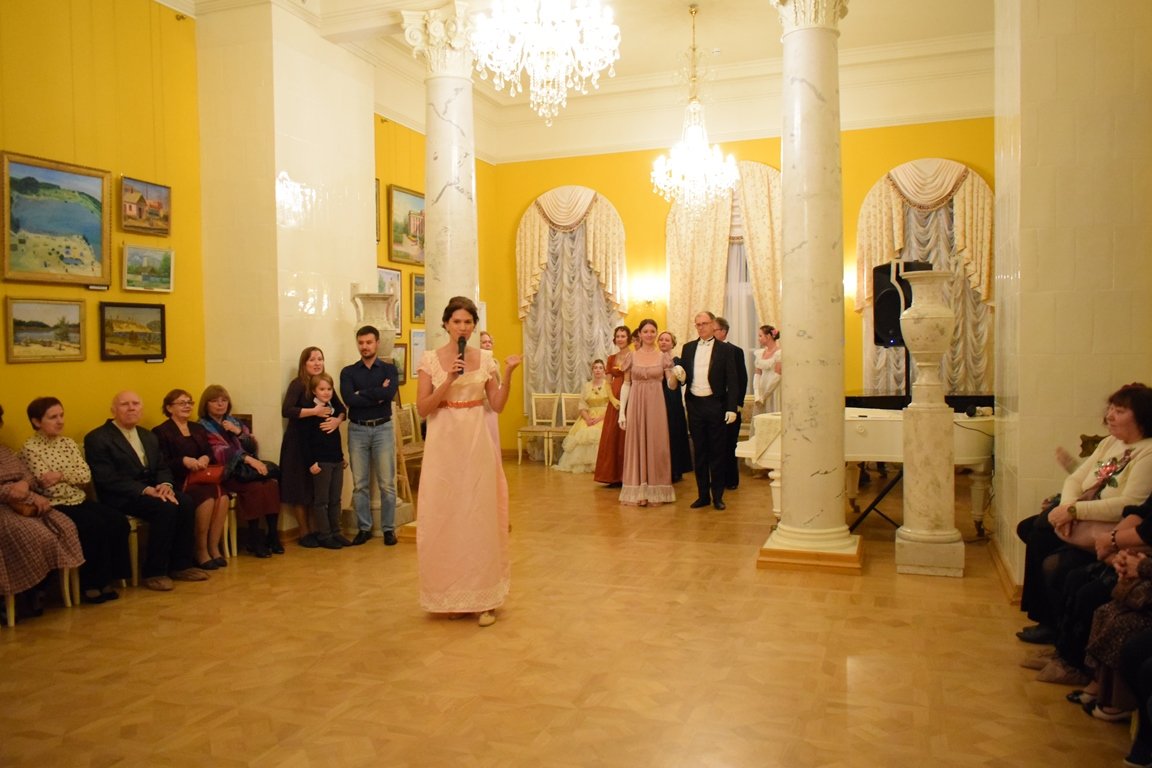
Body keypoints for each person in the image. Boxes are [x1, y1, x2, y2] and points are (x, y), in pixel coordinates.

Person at [1016, 383, 1152, 644]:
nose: (1109, 416)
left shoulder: (1147, 451)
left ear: (1142, 417)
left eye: (1119, 411)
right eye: (1110, 409)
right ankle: (1046, 618)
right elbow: (1077, 480)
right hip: (1082, 517)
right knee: (1033, 529)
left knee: (1041, 536)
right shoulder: (1112, 443)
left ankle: (1049, 622)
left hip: (1107, 526)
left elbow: (1130, 503)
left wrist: (1073, 510)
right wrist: (1068, 508)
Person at [416, 296, 521, 627]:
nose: (462, 327)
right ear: (446, 324)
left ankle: (485, 598)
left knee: (478, 517)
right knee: (447, 518)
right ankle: (453, 595)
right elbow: (423, 408)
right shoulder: (430, 359)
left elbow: (497, 404)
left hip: (476, 444)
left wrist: (508, 373)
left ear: (474, 326)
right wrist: (448, 379)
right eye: (457, 321)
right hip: (443, 447)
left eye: (468, 322)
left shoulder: (485, 359)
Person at [84, 391, 207, 591]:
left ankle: (181, 565)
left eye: (135, 404)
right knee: (165, 508)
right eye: (125, 404)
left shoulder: (147, 435)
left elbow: (162, 467)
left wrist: (165, 485)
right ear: (113, 410)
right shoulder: (98, 438)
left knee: (185, 502)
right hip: (122, 495)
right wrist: (145, 490)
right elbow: (107, 478)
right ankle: (154, 571)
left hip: (153, 490)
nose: (131, 408)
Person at [20, 397, 130, 604]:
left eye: (61, 415)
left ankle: (110, 577)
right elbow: (47, 485)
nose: (60, 421)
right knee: (92, 526)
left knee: (117, 520)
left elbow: (85, 476)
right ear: (36, 421)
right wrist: (68, 477)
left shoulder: (68, 443)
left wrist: (60, 475)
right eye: (53, 417)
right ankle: (91, 584)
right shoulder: (30, 448)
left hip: (78, 498)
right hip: (55, 504)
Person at [0, 403, 85, 619]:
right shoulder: (30, 447)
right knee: (39, 536)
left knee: (64, 527)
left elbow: (27, 475)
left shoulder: (4, 450)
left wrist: (26, 486)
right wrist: (13, 490)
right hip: (4, 508)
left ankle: (40, 589)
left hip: (25, 501)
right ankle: (26, 592)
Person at [198, 385, 283, 558]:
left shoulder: (234, 422)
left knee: (271, 485)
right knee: (255, 488)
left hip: (245, 471)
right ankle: (254, 538)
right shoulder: (202, 426)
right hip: (226, 472)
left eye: (224, 400)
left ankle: (272, 534)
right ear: (206, 404)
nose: (220, 404)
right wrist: (246, 459)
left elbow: (252, 446)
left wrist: (237, 432)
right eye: (214, 401)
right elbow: (218, 452)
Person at [153, 389, 230, 570]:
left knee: (223, 497)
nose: (187, 406)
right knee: (206, 499)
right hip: (179, 479)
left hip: (201, 476)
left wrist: (205, 458)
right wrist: (183, 461)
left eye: (189, 402)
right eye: (182, 403)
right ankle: (200, 550)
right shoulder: (161, 431)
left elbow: (208, 452)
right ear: (169, 408)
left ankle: (213, 547)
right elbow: (161, 462)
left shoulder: (197, 428)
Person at [674, 311, 740, 511]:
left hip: (716, 405)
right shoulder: (688, 348)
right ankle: (703, 495)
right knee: (700, 452)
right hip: (695, 405)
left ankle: (717, 496)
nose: (701, 327)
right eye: (698, 324)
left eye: (704, 323)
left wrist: (732, 408)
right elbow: (685, 377)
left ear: (713, 324)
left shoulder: (725, 350)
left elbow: (733, 380)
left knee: (717, 453)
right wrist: (681, 377)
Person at [340, 325, 400, 546]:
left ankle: (388, 529)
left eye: (368, 342)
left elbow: (388, 394)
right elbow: (349, 399)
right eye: (361, 343)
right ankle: (364, 528)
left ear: (377, 343)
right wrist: (376, 394)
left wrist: (362, 394)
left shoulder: (389, 370)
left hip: (382, 428)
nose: (364, 346)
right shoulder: (348, 372)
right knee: (360, 484)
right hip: (357, 429)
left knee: (387, 483)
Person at [280, 347, 343, 538]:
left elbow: (341, 409)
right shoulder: (298, 384)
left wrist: (337, 420)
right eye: (312, 360)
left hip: (319, 446)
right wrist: (314, 412)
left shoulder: (324, 383)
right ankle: (304, 532)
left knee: (316, 489)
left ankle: (320, 530)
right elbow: (287, 410)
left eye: (320, 359)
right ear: (304, 363)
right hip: (298, 442)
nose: (317, 363)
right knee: (300, 488)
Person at [618, 320, 677, 506]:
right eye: (646, 331)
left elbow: (671, 385)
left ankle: (655, 491)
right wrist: (622, 412)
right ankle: (639, 492)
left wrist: (677, 376)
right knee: (635, 444)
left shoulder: (663, 357)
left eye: (652, 331)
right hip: (635, 404)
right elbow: (626, 384)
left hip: (656, 405)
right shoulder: (632, 356)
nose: (649, 334)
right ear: (640, 334)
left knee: (657, 444)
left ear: (656, 333)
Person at [298, 373, 350, 550]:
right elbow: (305, 440)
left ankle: (336, 531)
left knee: (335, 498)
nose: (326, 392)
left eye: (329, 389)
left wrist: (341, 457)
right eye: (322, 389)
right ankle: (325, 534)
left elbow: (334, 437)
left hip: (335, 460)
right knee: (322, 500)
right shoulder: (310, 411)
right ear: (314, 391)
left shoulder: (332, 408)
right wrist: (311, 462)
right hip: (321, 462)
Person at [553, 359, 609, 474]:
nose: (598, 370)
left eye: (600, 368)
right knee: (583, 433)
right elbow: (582, 405)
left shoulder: (608, 385)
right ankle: (584, 464)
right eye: (595, 368)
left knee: (597, 433)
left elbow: (611, 406)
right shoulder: (587, 386)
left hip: (604, 416)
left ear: (604, 370)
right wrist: (587, 419)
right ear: (592, 370)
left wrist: (599, 419)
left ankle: (599, 464)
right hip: (588, 416)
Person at [713, 317, 748, 491]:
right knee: (715, 444)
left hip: (731, 405)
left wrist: (737, 404)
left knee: (730, 443)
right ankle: (716, 479)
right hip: (712, 405)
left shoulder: (736, 351)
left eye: (714, 330)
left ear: (723, 332)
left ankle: (731, 479)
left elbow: (742, 378)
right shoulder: (707, 351)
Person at [593, 325, 631, 487]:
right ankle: (613, 476)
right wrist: (613, 400)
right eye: (618, 336)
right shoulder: (611, 358)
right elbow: (607, 383)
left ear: (628, 338)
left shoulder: (634, 356)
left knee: (626, 437)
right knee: (612, 436)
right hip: (614, 400)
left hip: (630, 397)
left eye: (623, 336)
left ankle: (627, 476)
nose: (620, 339)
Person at [658, 331, 693, 483]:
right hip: (657, 399)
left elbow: (683, 381)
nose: (663, 342)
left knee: (674, 433)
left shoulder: (678, 361)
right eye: (661, 339)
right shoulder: (654, 360)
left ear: (672, 344)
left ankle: (676, 469)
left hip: (673, 401)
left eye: (667, 340)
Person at [752, 324, 782, 417]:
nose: (759, 339)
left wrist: (764, 395)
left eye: (760, 336)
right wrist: (757, 393)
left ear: (768, 336)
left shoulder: (779, 353)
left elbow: (778, 375)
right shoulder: (760, 353)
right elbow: (757, 373)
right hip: (762, 389)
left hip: (773, 389)